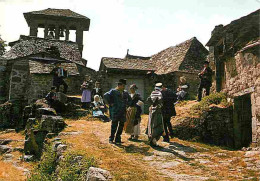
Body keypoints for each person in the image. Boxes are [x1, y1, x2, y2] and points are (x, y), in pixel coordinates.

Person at [104, 79, 132, 145]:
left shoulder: (125, 92)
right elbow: (105, 96)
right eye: (123, 86)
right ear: (119, 85)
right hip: (115, 111)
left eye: (124, 86)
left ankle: (118, 138)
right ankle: (111, 138)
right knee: (114, 125)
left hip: (122, 111)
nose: (124, 87)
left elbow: (130, 100)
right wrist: (110, 103)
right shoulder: (113, 91)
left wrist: (127, 105)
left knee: (121, 126)